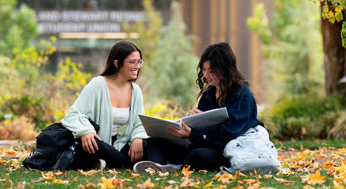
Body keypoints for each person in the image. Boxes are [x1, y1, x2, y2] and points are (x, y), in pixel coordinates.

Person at [135, 42, 264, 173]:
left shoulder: (241, 94)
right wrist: (192, 121)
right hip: (204, 144)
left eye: (211, 70)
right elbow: (202, 129)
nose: (206, 75)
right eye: (204, 69)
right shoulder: (209, 94)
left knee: (197, 155)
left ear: (225, 69)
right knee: (154, 141)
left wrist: (192, 134)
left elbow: (228, 134)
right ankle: (158, 167)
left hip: (229, 148)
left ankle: (173, 166)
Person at [61, 40, 148, 169]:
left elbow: (139, 123)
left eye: (139, 61)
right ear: (117, 63)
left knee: (148, 143)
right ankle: (119, 162)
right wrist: (86, 131)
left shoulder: (136, 91)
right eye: (132, 62)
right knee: (98, 146)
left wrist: (138, 138)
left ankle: (101, 162)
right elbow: (73, 115)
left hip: (117, 143)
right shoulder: (97, 85)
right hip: (96, 141)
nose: (137, 66)